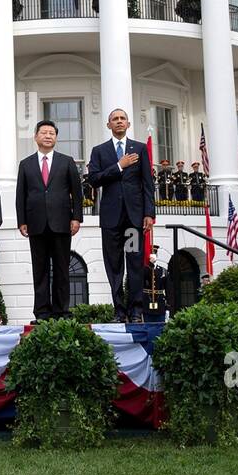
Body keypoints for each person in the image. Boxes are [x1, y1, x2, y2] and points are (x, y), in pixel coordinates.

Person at [86, 108, 155, 322]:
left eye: (122, 118)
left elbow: (147, 184)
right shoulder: (100, 151)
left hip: (133, 220)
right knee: (114, 265)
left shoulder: (140, 149)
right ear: (109, 125)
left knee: (134, 263)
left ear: (128, 123)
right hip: (111, 220)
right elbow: (94, 179)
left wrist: (149, 214)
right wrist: (119, 165)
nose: (118, 122)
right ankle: (119, 311)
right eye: (114, 119)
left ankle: (136, 311)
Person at [15, 118, 83, 321]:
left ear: (56, 138)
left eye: (51, 133)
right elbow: (21, 194)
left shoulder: (67, 161)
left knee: (62, 269)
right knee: (40, 270)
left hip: (62, 222)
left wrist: (76, 217)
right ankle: (42, 313)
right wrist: (22, 221)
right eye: (44, 132)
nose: (47, 136)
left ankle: (62, 312)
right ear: (36, 137)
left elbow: (76, 192)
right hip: (36, 224)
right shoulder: (26, 164)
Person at [146, 248, 169, 322]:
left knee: (160, 327)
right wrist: (150, 264)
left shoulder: (163, 271)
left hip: (160, 304)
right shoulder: (145, 269)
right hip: (147, 302)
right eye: (151, 255)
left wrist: (168, 307)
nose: (153, 256)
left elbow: (168, 290)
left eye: (155, 254)